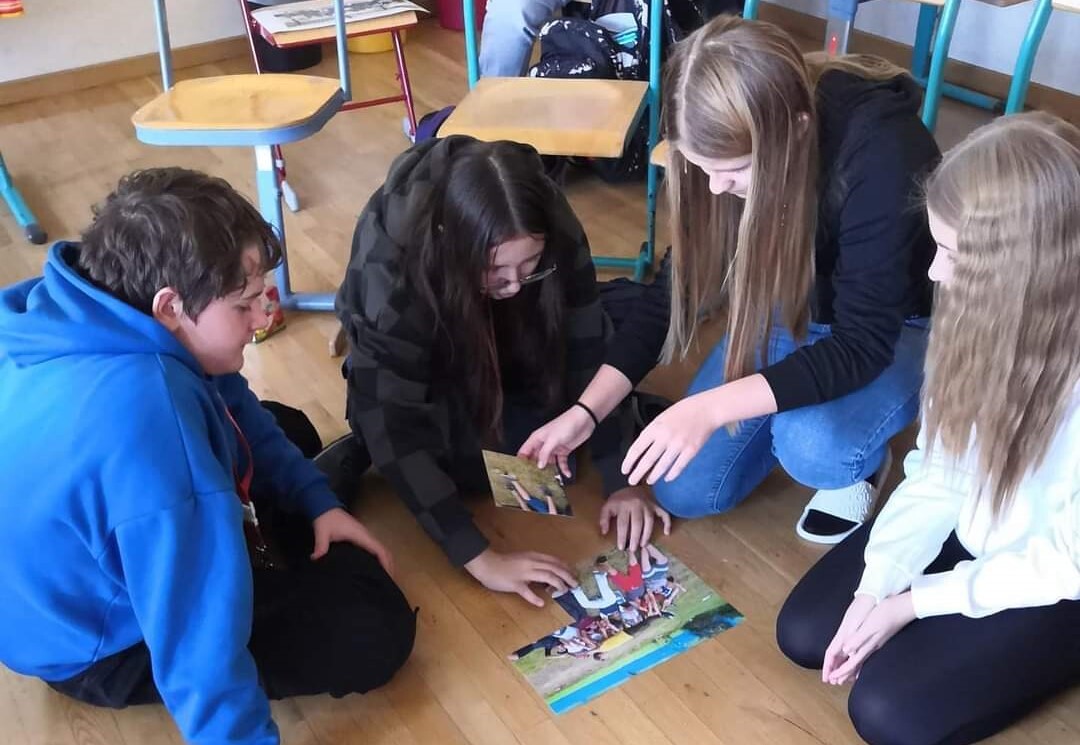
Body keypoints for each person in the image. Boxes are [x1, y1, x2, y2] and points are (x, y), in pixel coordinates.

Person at [0, 168, 416, 745]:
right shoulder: (150, 424)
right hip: (96, 644)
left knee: (287, 428)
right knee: (373, 628)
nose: (264, 317)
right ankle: (266, 536)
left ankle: (285, 521)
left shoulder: (78, 302)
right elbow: (197, 641)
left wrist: (317, 501)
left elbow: (228, 398)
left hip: (52, 585)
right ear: (170, 306)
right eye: (244, 305)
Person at [520, 16, 939, 543]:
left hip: (896, 324)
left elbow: (862, 343)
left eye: (735, 171)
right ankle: (809, 412)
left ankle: (860, 464)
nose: (716, 188)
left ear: (796, 130)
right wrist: (586, 412)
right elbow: (673, 295)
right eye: (701, 167)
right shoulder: (719, 157)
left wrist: (711, 407)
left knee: (812, 445)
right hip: (793, 300)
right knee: (683, 489)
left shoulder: (884, 155)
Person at [776, 113, 1080, 745]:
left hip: (1058, 571)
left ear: (1026, 270)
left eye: (953, 254)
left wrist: (914, 603)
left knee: (888, 713)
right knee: (806, 632)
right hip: (982, 526)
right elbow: (939, 471)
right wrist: (879, 585)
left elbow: (1062, 561)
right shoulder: (981, 315)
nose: (935, 273)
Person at [331, 135, 668, 606]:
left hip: (509, 340)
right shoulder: (393, 275)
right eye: (496, 272)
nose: (512, 286)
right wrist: (480, 558)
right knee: (455, 470)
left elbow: (586, 340)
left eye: (530, 266)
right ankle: (361, 435)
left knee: (551, 462)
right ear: (453, 244)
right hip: (428, 360)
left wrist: (621, 477)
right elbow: (394, 421)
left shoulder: (546, 214)